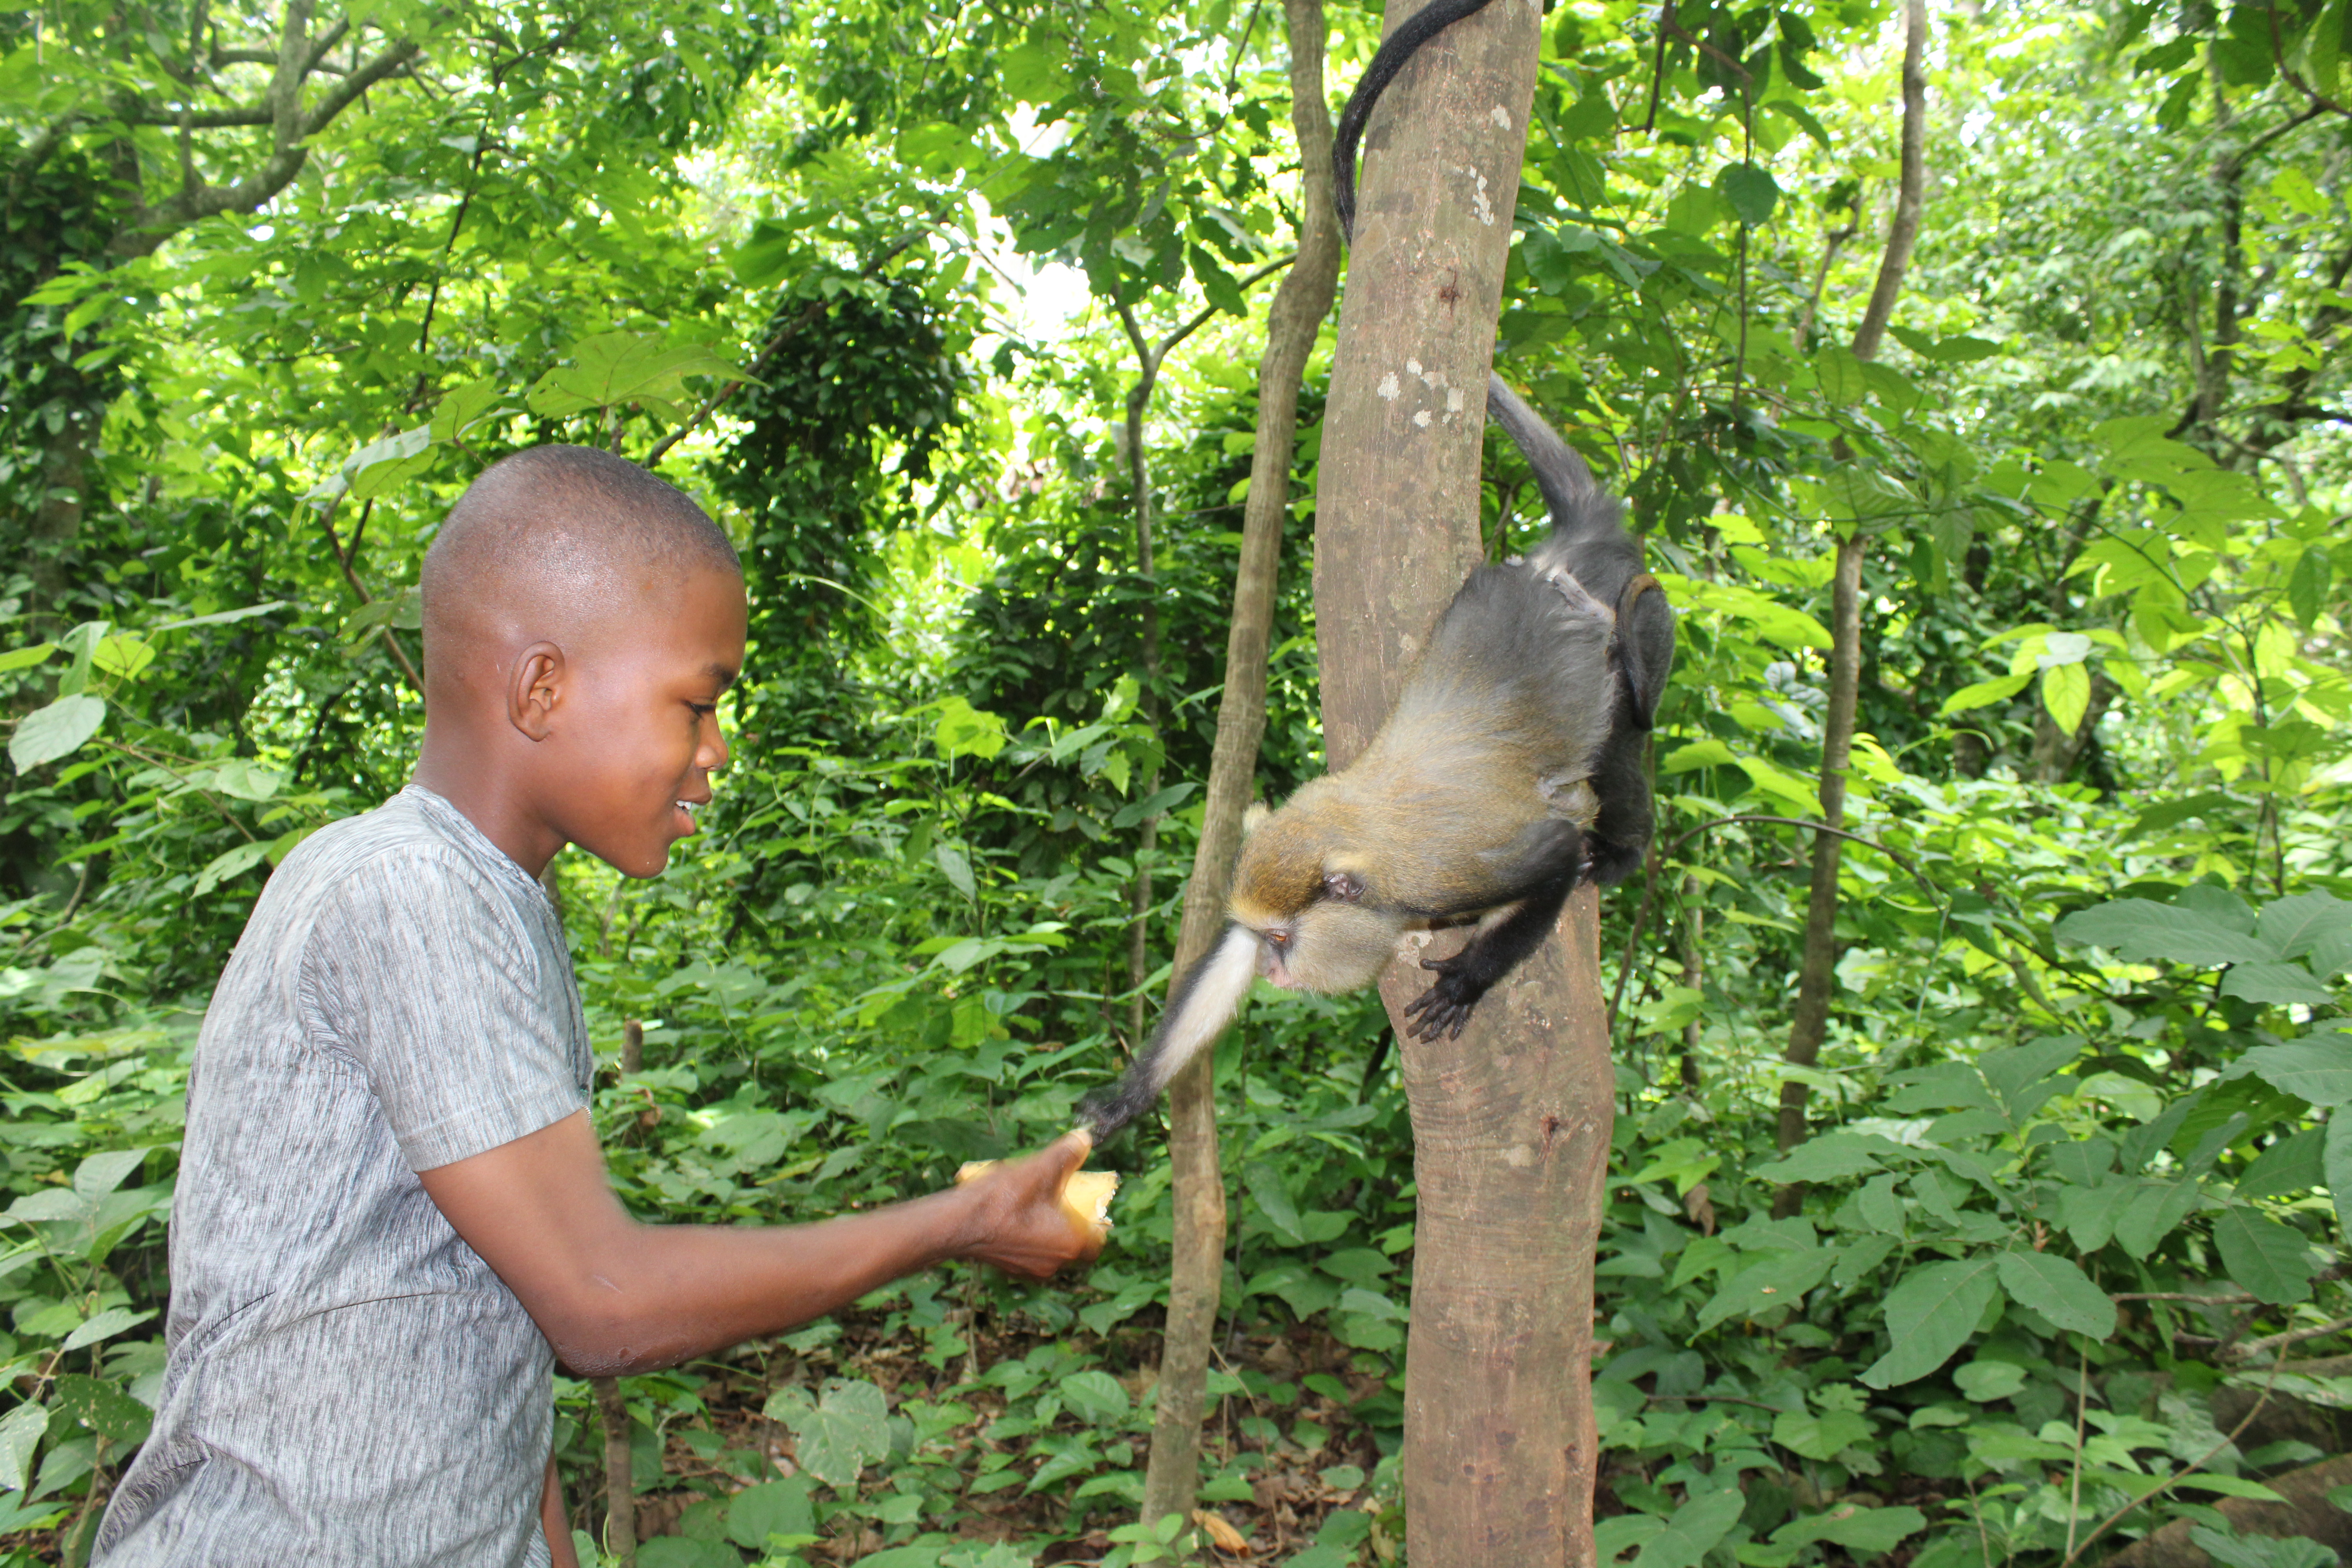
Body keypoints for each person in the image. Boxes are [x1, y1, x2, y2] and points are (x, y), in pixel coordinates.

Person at [95, 447, 1101, 1566]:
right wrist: (954, 1225)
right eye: (698, 703)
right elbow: (603, 1301)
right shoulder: (402, 891)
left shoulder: (497, 906)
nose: (716, 752)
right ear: (541, 689)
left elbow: (500, 1307)